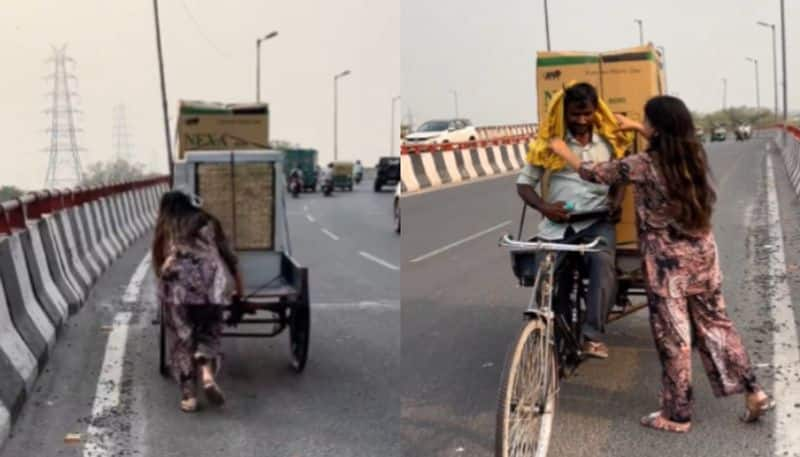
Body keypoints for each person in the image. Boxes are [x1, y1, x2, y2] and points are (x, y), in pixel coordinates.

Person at [549, 95, 771, 433]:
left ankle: (677, 414)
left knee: (674, 336)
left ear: (657, 128)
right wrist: (635, 126)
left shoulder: (643, 164)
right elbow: (678, 136)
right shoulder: (693, 154)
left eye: (645, 120)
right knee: (718, 325)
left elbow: (597, 173)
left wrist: (565, 154)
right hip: (703, 256)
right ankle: (754, 390)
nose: (643, 124)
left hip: (668, 265)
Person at [517, 82, 619, 359]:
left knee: (602, 265)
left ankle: (592, 336)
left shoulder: (610, 143)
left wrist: (616, 202)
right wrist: (545, 206)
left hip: (596, 224)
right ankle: (554, 332)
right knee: (546, 278)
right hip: (556, 227)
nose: (581, 121)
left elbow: (621, 177)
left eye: (586, 114)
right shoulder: (549, 145)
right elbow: (524, 185)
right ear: (565, 113)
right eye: (575, 114)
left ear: (595, 112)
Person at [152, 189, 243, 412]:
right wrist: (239, 289)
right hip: (211, 286)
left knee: (182, 340)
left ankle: (189, 397)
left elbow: (157, 260)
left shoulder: (167, 225)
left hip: (178, 289)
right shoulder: (209, 221)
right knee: (209, 332)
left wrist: (163, 284)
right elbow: (230, 258)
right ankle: (206, 373)